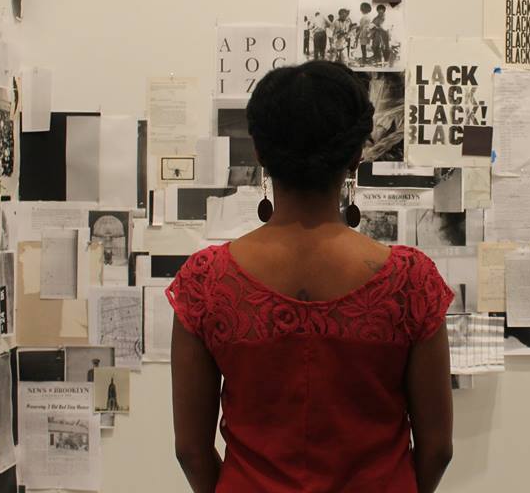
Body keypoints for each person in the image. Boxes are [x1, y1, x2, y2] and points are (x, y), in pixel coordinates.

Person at [167, 60, 455, 493]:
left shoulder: (205, 281)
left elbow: (190, 450)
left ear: (260, 152)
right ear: (358, 152)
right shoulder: (410, 282)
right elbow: (437, 448)